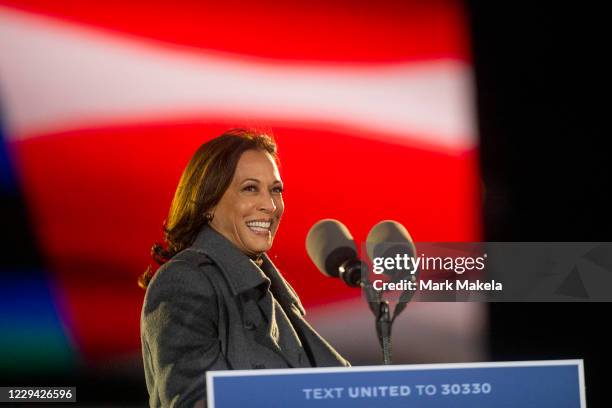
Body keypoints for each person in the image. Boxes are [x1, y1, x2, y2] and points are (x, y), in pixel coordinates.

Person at [139, 129, 350, 407]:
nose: (270, 205)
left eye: (276, 190)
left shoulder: (275, 298)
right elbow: (194, 400)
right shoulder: (185, 281)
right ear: (208, 203)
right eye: (250, 188)